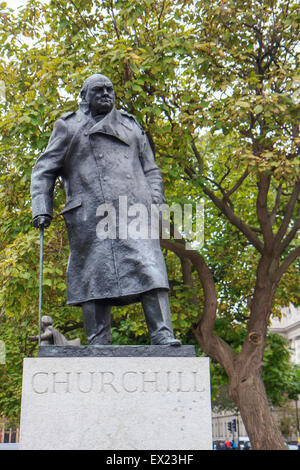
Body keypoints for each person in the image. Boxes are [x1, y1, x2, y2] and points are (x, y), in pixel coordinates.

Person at [31, 73, 181, 347]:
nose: (106, 94)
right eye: (98, 90)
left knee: (151, 269)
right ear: (84, 96)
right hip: (90, 216)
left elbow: (151, 169)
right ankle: (99, 342)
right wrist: (42, 208)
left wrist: (155, 199)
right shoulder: (69, 127)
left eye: (110, 90)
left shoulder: (131, 126)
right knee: (93, 277)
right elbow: (44, 170)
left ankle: (162, 334)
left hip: (134, 212)